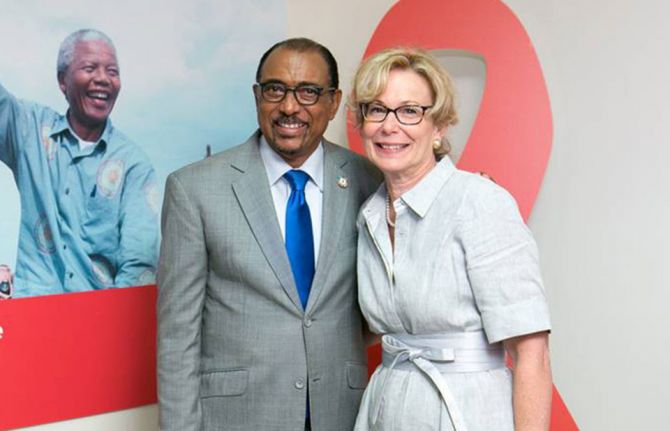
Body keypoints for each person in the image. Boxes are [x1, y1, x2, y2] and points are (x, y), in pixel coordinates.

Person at [157, 38, 381, 431]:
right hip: (240, 418)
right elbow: (178, 337)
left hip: (341, 413)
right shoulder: (194, 189)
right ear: (257, 96)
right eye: (275, 89)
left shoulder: (368, 180)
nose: (290, 107)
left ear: (333, 102)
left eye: (308, 92)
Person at [349, 48, 552, 430]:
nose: (390, 126)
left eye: (410, 111)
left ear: (439, 127)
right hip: (385, 411)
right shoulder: (368, 215)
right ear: (362, 123)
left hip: (469, 413)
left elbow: (532, 354)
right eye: (376, 109)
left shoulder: (479, 202)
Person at [0, 29, 159, 297]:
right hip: (33, 312)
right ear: (63, 80)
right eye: (90, 68)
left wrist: (111, 318)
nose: (103, 78)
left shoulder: (134, 166)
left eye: (112, 71)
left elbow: (139, 265)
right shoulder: (29, 130)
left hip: (100, 314)